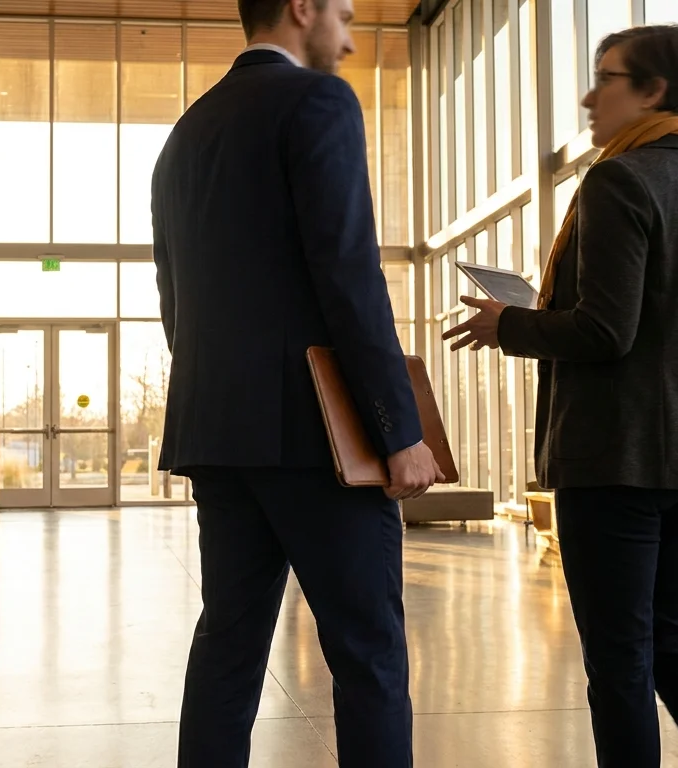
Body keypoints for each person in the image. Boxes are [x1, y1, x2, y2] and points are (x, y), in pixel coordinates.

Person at [443, 24, 678, 768]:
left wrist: (509, 323)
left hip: (618, 460)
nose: (590, 98)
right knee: (671, 645)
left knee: (620, 662)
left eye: (606, 79)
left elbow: (604, 331)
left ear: (653, 91)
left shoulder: (620, 181)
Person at [150, 0, 442, 765]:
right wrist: (398, 429)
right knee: (368, 654)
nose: (348, 42)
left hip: (218, 432)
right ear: (301, 8)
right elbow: (349, 275)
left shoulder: (186, 135)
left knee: (228, 645)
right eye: (342, 16)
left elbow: (175, 299)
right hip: (318, 440)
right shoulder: (318, 101)